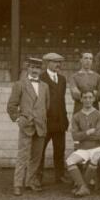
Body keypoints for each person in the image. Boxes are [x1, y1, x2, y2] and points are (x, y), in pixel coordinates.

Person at [7, 57, 50, 196]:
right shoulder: (20, 84)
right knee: (23, 155)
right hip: (26, 125)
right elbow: (11, 105)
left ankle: (30, 182)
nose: (35, 70)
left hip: (40, 126)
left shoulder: (45, 86)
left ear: (41, 70)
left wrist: (41, 118)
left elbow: (46, 105)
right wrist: (19, 118)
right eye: (32, 67)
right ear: (28, 68)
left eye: (37, 68)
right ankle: (17, 184)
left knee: (36, 156)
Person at [37, 52, 69, 185]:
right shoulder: (40, 78)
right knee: (40, 150)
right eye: (56, 62)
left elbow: (61, 101)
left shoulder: (62, 79)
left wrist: (65, 119)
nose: (59, 65)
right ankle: (37, 177)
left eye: (60, 62)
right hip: (45, 122)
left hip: (60, 121)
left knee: (60, 149)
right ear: (47, 63)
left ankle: (60, 175)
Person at [65, 90, 100, 197]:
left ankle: (81, 186)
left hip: (97, 147)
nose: (87, 100)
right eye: (85, 97)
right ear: (81, 99)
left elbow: (98, 135)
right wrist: (87, 132)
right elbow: (74, 136)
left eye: (90, 97)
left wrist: (82, 134)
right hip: (83, 148)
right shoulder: (76, 116)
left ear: (93, 99)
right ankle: (84, 187)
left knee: (95, 158)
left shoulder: (99, 115)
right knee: (69, 161)